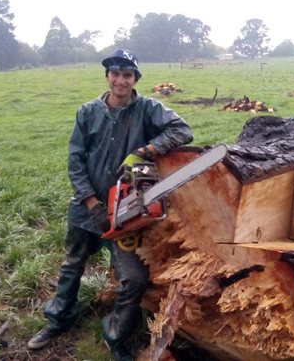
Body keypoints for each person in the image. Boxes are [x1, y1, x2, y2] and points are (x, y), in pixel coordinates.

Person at [27, 49, 193, 360]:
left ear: (134, 79)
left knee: (133, 279)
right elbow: (75, 160)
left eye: (127, 75)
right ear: (108, 76)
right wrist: (91, 202)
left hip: (127, 209)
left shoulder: (147, 108)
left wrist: (147, 148)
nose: (120, 80)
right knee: (72, 263)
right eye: (115, 73)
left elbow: (182, 130)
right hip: (85, 205)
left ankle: (115, 334)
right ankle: (58, 318)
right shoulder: (88, 112)